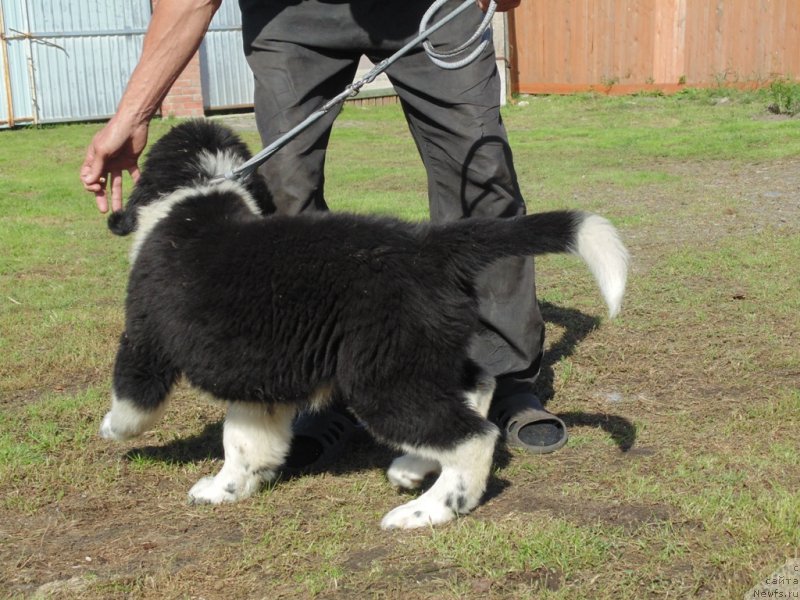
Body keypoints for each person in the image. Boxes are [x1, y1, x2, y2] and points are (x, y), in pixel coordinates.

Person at [81, 0, 568, 468]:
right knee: (284, 192)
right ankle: (323, 386)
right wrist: (132, 116)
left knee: (481, 176)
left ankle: (500, 376)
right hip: (291, 12)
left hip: (428, 5)